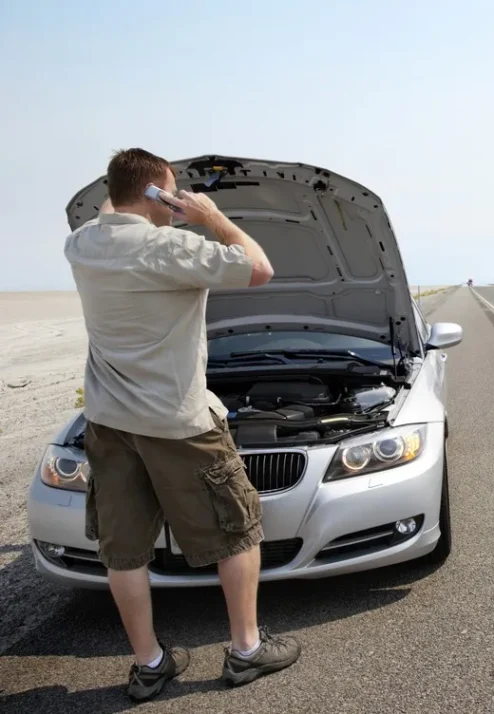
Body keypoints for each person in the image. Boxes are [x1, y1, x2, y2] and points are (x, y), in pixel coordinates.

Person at [63, 148, 301, 702]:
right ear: (156, 195)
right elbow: (260, 268)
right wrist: (209, 216)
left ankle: (149, 665)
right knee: (235, 529)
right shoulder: (170, 247)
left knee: (124, 550)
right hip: (179, 423)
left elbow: (112, 207)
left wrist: (146, 194)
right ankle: (246, 651)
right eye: (166, 194)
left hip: (109, 424)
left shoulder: (81, 246)